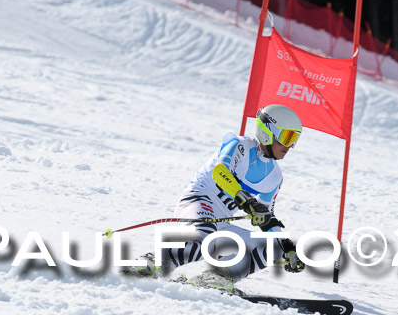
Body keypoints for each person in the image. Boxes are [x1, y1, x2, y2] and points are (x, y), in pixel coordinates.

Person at [126, 104, 306, 286]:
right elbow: (220, 172)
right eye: (287, 137)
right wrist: (247, 201)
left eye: (294, 139)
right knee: (204, 236)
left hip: (221, 223)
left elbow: (266, 217)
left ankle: (217, 278)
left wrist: (286, 247)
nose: (290, 146)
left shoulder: (274, 176)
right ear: (268, 131)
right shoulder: (239, 145)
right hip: (197, 202)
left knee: (272, 247)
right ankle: (152, 263)